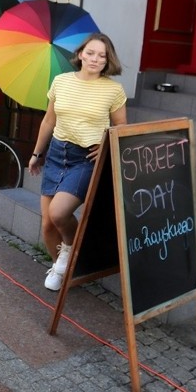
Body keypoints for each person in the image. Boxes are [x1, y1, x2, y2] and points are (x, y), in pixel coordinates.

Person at [28, 32, 127, 291]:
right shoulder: (61, 82)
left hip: (85, 159)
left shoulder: (113, 90)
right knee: (48, 224)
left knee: (59, 212)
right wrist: (37, 154)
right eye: (91, 53)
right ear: (81, 53)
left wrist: (106, 145)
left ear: (108, 61)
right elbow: (49, 120)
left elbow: (121, 128)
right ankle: (61, 268)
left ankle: (69, 252)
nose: (95, 59)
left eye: (102, 56)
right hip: (56, 154)